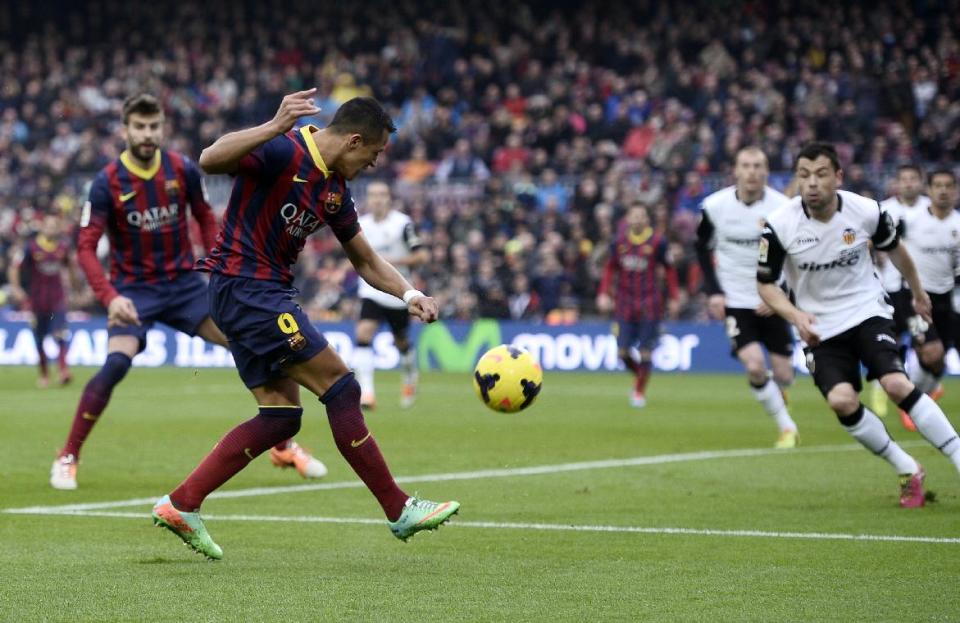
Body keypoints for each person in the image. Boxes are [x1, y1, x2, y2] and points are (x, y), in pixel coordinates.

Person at [151, 91, 460, 560]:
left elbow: (365, 259)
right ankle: (399, 509)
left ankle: (183, 503)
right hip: (247, 287)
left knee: (280, 417)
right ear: (355, 141)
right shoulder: (284, 149)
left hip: (257, 293)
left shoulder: (335, 190)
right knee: (341, 388)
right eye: (374, 153)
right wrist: (273, 125)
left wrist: (411, 294)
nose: (375, 165)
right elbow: (209, 158)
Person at [50, 93, 326, 490]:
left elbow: (205, 220)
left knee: (252, 344)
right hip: (134, 293)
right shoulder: (106, 182)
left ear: (162, 127)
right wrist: (110, 297)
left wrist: (219, 269)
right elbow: (85, 247)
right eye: (140, 127)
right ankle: (68, 456)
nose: (148, 134)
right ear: (125, 130)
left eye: (154, 126)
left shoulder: (181, 169)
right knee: (115, 365)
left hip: (184, 287)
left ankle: (282, 445)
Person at [757, 142, 960, 508]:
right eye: (804, 175)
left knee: (897, 384)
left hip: (868, 311)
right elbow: (766, 284)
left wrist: (917, 292)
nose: (812, 183)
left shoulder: (866, 211)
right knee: (841, 400)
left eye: (820, 174)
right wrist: (795, 315)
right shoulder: (780, 224)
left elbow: (896, 249)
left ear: (837, 176)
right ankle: (907, 467)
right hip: (819, 326)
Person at [695, 147, 799, 448]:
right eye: (746, 166)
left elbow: (795, 257)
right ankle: (787, 427)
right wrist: (714, 292)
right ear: (735, 171)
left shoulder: (783, 208)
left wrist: (781, 295)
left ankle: (780, 394)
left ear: (766, 172)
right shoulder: (715, 206)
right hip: (735, 300)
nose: (752, 171)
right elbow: (701, 248)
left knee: (784, 374)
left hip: (773, 300)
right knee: (754, 365)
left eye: (758, 166)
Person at [353, 180, 429, 409]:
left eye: (381, 194)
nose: (377, 199)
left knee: (401, 341)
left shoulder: (402, 224)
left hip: (398, 291)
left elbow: (422, 256)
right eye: (373, 195)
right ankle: (367, 394)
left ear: (389, 198)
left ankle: (409, 376)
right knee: (364, 333)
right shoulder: (360, 224)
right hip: (371, 290)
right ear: (368, 198)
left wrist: (388, 264)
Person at [596, 202, 677, 408]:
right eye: (634, 216)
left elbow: (669, 269)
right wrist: (604, 293)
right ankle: (640, 376)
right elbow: (609, 269)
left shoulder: (658, 241)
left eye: (641, 216)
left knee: (645, 353)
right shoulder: (619, 242)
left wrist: (674, 296)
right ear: (628, 219)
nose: (638, 219)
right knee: (622, 353)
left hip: (650, 304)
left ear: (647, 219)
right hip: (624, 303)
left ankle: (639, 392)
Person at [896, 170, 960, 429]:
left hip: (945, 297)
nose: (943, 191)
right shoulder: (910, 220)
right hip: (913, 297)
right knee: (931, 350)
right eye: (938, 186)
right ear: (929, 191)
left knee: (938, 361)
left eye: (948, 186)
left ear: (955, 191)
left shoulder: (958, 224)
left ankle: (915, 398)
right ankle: (909, 401)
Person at [872, 164, 931, 421]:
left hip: (919, 288)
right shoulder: (884, 208)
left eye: (912, 179)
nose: (908, 183)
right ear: (896, 182)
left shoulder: (929, 210)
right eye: (903, 179)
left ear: (920, 182)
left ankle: (918, 389)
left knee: (924, 343)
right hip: (888, 288)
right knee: (890, 342)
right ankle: (879, 387)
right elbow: (867, 240)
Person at [7, 214, 80, 388]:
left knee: (60, 333)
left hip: (57, 299)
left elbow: (71, 267)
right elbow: (14, 268)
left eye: (54, 226)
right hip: (37, 301)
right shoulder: (31, 247)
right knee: (39, 339)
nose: (51, 229)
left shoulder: (63, 247)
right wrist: (16, 288)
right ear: (42, 227)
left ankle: (63, 371)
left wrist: (76, 288)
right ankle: (44, 375)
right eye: (48, 226)